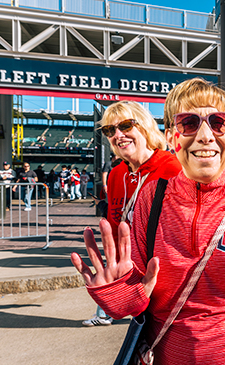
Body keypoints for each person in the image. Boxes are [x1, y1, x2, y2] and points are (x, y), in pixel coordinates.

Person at [72, 78, 225, 364]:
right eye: (189, 123)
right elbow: (137, 299)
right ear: (173, 136)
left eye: (218, 122)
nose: (206, 136)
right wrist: (116, 292)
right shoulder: (153, 197)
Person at [80, 100, 182, 327]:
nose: (118, 135)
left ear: (144, 126)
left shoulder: (174, 167)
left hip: (170, 280)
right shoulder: (116, 175)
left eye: (126, 126)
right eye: (110, 130)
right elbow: (115, 231)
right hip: (131, 278)